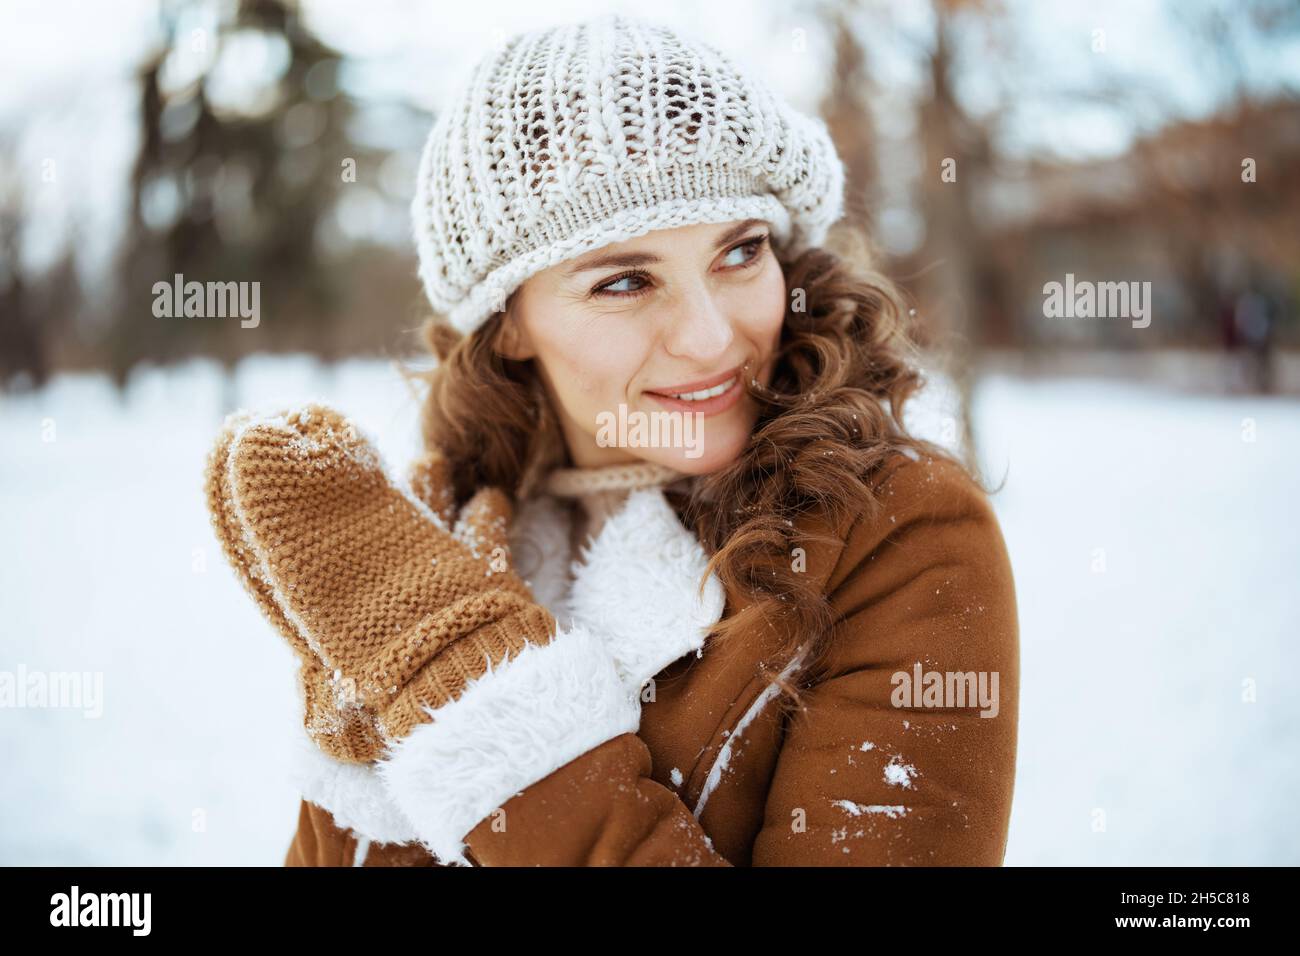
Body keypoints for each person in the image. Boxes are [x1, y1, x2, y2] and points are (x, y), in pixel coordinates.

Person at [205, 12, 1019, 866]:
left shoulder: (894, 529)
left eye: (739, 252)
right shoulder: (442, 548)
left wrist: (472, 683)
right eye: (626, 281)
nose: (709, 338)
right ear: (509, 320)